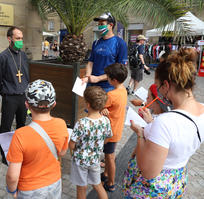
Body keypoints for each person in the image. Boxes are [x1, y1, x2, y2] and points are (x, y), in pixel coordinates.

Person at [123, 48, 204, 198]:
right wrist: (152, 123)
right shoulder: (202, 110)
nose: (159, 91)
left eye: (158, 86)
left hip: (152, 190)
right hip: (176, 181)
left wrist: (141, 134)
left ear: (166, 86)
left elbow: (148, 172)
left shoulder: (165, 122)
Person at [6, 79, 69, 198]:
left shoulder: (20, 135)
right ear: (54, 104)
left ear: (27, 105)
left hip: (30, 189)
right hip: (54, 182)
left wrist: (12, 191)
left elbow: (12, 176)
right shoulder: (61, 124)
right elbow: (62, 152)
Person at [0, 26, 29, 165]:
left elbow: (26, 75)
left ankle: (21, 150)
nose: (20, 41)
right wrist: (4, 91)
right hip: (9, 97)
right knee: (6, 127)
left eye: (21, 38)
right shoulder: (2, 57)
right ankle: (4, 154)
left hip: (22, 96)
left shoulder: (23, 56)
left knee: (22, 125)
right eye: (17, 38)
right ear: (9, 39)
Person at [69, 86, 112, 199]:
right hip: (95, 159)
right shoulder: (105, 120)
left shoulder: (81, 123)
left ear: (88, 104)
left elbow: (72, 144)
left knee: (81, 187)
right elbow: (107, 138)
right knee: (97, 185)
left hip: (80, 160)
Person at [82, 12, 127, 92]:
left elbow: (120, 70)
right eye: (98, 24)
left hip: (108, 86)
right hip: (91, 84)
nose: (99, 26)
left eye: (102, 24)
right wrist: (87, 76)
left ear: (111, 25)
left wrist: (98, 78)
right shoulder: (96, 42)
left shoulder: (120, 43)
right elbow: (90, 62)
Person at [100, 63, 128, 192]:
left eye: (108, 77)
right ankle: (106, 174)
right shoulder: (123, 90)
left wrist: (102, 108)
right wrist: (106, 108)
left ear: (114, 80)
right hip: (117, 129)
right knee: (107, 154)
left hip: (109, 131)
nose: (107, 78)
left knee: (110, 157)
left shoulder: (111, 94)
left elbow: (99, 107)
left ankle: (111, 183)